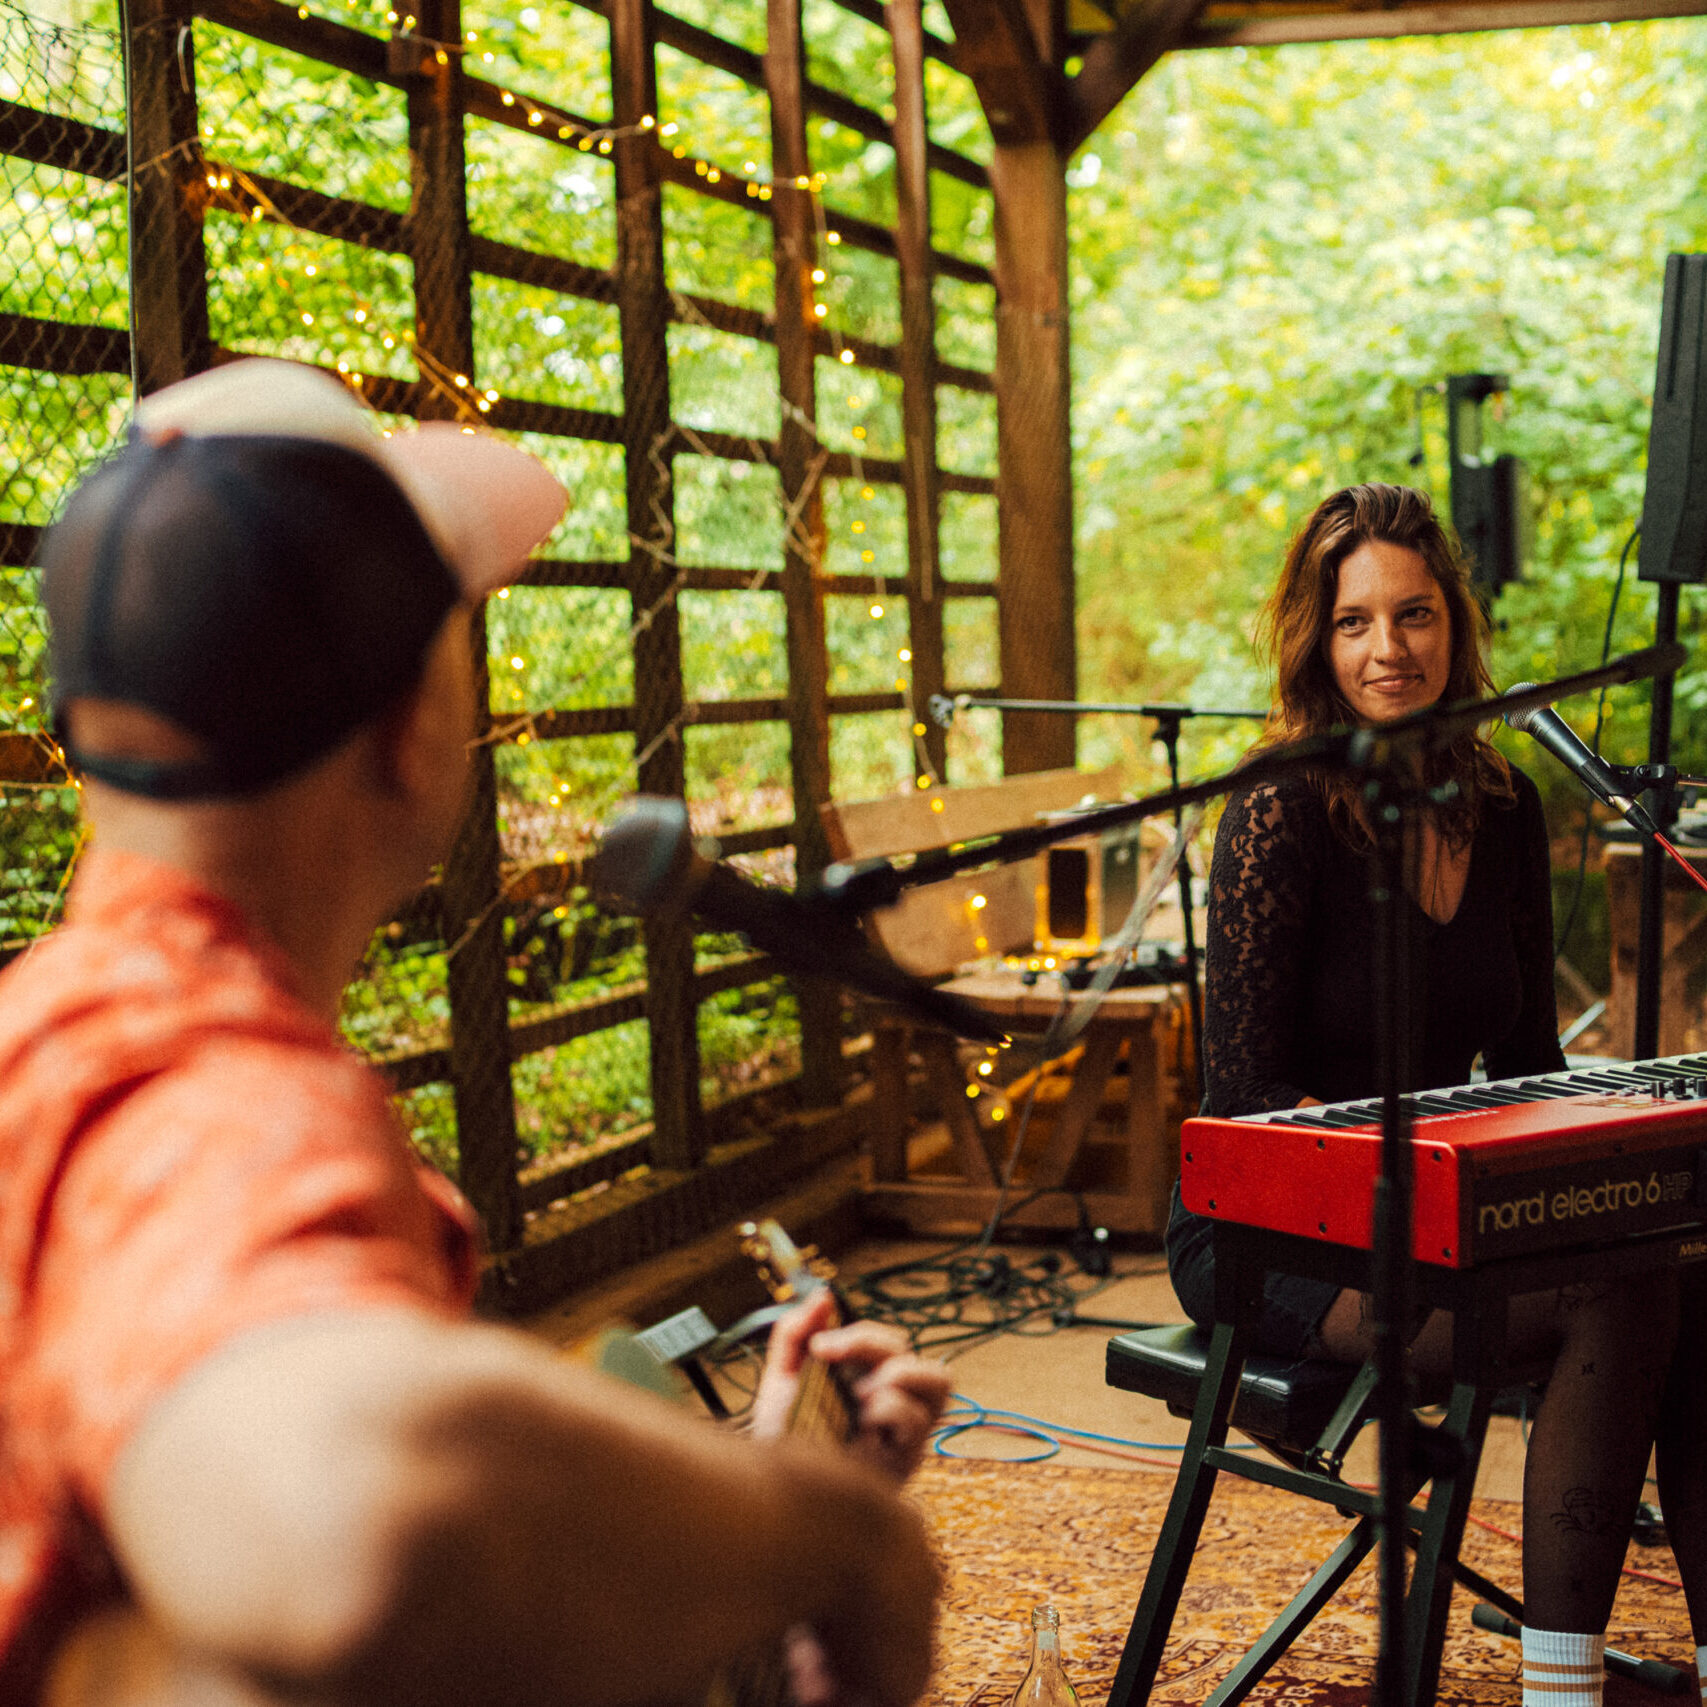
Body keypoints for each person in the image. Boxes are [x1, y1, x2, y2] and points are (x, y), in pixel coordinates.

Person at [1, 358, 951, 1706]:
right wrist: (837, 1534)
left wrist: (742, 1516)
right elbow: (365, 1502)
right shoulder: (201, 1093)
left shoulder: (51, 1031)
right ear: (410, 726)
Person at [1165, 483, 1707, 1707]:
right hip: (1276, 1231)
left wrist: (1586, 1169)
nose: (1387, 651)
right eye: (1355, 622)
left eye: (1412, 617)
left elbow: (1524, 1063)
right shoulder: (1278, 809)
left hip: (1452, 1210)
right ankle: (1559, 1690)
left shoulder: (1502, 805)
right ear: (1317, 638)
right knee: (1611, 1302)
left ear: (1453, 627)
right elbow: (1245, 1101)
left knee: (1684, 1266)